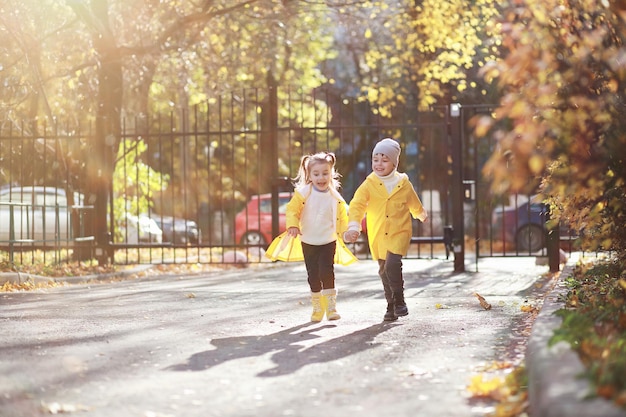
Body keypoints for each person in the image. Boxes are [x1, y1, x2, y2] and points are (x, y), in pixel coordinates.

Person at [343, 138, 428, 322]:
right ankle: (390, 304)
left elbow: (413, 202)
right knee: (383, 270)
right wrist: (353, 225)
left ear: (394, 162)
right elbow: (357, 205)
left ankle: (399, 300)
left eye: (384, 159)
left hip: (399, 232)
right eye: (375, 159)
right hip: (379, 233)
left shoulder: (404, 183)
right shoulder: (369, 184)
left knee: (392, 265)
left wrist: (420, 214)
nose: (379, 164)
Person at [265, 152, 357, 322]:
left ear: (331, 173)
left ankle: (331, 307)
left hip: (328, 240)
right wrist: (292, 225)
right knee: (313, 274)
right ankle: (317, 306)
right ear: (309, 175)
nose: (321, 177)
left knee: (326, 271)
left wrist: (345, 232)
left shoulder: (334, 197)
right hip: (308, 240)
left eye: (325, 173)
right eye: (316, 174)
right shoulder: (303, 194)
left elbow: (342, 217)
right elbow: (292, 210)